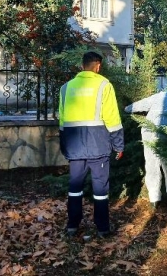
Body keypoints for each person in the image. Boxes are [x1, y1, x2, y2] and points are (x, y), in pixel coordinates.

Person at [59, 51, 124, 238]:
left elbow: (62, 122)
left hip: (75, 148)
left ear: (82, 65)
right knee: (100, 189)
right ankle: (102, 228)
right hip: (99, 147)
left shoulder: (65, 88)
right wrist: (118, 146)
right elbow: (112, 118)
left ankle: (72, 226)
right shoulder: (104, 85)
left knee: (75, 187)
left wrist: (65, 147)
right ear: (98, 66)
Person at [124, 87, 167, 215]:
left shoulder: (160, 95)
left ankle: (154, 200)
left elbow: (134, 106)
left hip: (148, 132)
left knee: (152, 165)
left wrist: (127, 109)